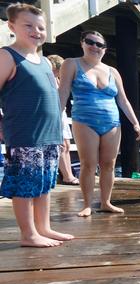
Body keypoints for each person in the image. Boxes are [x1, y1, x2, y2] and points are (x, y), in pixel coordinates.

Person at [0, 3, 74, 247]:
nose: (36, 31)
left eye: (41, 27)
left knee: (44, 183)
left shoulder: (43, 61)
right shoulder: (7, 56)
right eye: (28, 25)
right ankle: (28, 234)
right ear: (12, 26)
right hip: (24, 134)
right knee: (25, 184)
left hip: (49, 134)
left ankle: (44, 227)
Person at [58, 30, 140, 217]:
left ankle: (106, 202)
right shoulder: (71, 64)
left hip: (112, 122)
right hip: (84, 120)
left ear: (104, 50)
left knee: (109, 164)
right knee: (88, 163)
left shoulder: (113, 71)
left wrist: (135, 124)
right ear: (82, 43)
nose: (95, 47)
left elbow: (123, 100)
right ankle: (87, 204)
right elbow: (63, 92)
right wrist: (56, 118)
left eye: (100, 45)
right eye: (91, 42)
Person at [47, 54, 78, 185]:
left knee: (66, 145)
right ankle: (67, 176)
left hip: (61, 114)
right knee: (61, 146)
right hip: (56, 114)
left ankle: (68, 174)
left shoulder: (57, 79)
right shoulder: (50, 79)